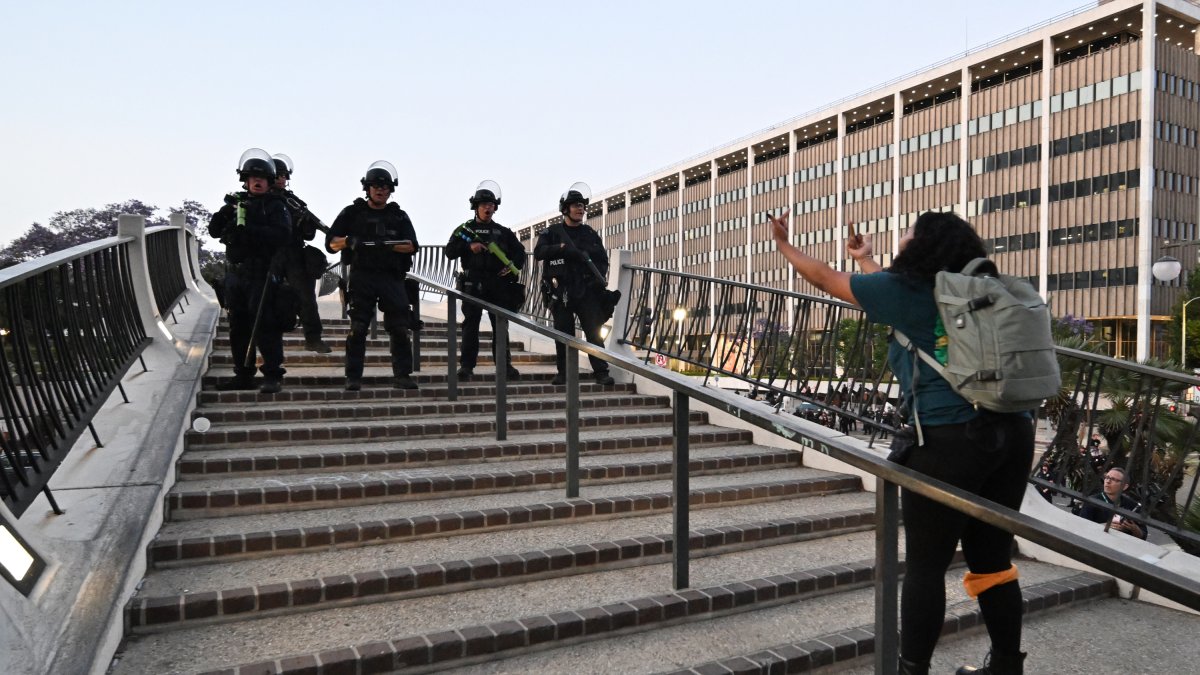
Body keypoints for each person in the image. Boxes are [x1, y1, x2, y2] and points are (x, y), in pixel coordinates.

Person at [768, 209, 1033, 675]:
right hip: (1012, 433)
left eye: (909, 232)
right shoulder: (981, 290)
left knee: (927, 566)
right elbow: (888, 290)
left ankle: (912, 670)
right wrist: (868, 259)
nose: (903, 237)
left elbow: (826, 278)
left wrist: (784, 246)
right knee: (991, 558)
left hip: (950, 439)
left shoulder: (909, 290)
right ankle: (1007, 666)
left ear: (922, 244)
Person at [326, 160, 419, 391]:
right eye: (376, 185)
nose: (380, 190)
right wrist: (350, 241)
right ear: (367, 188)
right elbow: (331, 243)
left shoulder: (399, 216)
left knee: (399, 327)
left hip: (390, 277)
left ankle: (402, 375)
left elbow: (411, 245)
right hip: (362, 276)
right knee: (357, 328)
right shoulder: (352, 213)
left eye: (385, 186)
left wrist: (386, 245)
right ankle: (353, 377)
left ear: (391, 190)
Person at [208, 148, 294, 394]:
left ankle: (272, 374)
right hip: (236, 274)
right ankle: (243, 374)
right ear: (245, 180)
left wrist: (251, 231)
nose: (257, 182)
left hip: (262, 274)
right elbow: (214, 231)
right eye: (253, 178)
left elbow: (283, 235)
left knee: (265, 324)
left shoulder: (276, 206)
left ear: (269, 182)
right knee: (239, 325)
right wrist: (226, 213)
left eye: (262, 179)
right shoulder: (236, 204)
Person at [533, 182, 614, 386]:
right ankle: (564, 373)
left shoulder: (589, 233)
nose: (580, 209)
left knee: (594, 333)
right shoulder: (551, 232)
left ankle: (601, 372)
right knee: (563, 334)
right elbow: (539, 253)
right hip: (560, 292)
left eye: (582, 205)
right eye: (575, 205)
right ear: (565, 209)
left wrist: (596, 278)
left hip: (585, 291)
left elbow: (602, 260)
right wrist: (560, 249)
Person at [444, 180, 526, 380]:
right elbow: (450, 251)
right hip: (473, 284)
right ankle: (466, 367)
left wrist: (512, 266)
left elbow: (520, 253)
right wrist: (468, 247)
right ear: (476, 207)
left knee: (500, 326)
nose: (487, 208)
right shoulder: (465, 230)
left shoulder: (503, 232)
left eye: (491, 205)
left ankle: (504, 366)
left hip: (498, 285)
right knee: (470, 325)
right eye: (483, 205)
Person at [272, 153, 332, 354]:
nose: (282, 179)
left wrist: (303, 224)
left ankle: (313, 338)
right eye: (278, 175)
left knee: (306, 297)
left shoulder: (293, 201)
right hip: (269, 254)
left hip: (293, 254)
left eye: (284, 176)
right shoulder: (260, 199)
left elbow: (309, 233)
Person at [1074, 466, 1146, 539]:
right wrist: (1104, 526)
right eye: (1107, 477)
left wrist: (1134, 529)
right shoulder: (1092, 501)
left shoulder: (1133, 505)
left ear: (1124, 486)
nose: (1108, 481)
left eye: (1114, 479)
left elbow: (1143, 536)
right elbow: (1082, 527)